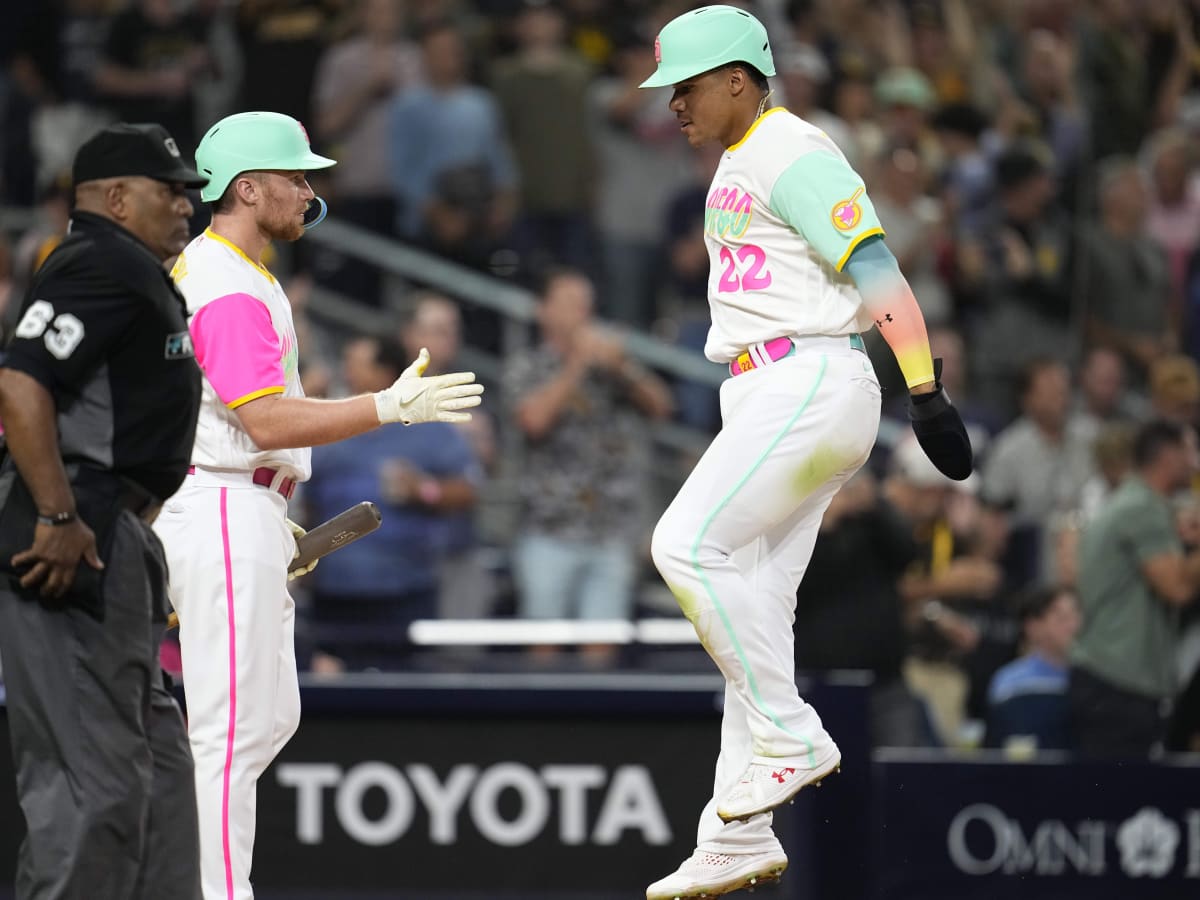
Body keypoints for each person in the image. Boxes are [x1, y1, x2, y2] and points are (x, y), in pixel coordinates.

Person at [638, 7, 971, 899]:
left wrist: (926, 389)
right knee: (757, 613)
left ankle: (791, 733)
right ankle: (734, 833)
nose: (674, 102)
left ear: (740, 79)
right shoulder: (743, 160)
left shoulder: (794, 151)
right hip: (769, 388)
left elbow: (876, 270)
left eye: (689, 83)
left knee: (683, 546)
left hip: (807, 379)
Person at [151, 110, 483, 900]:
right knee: (228, 736)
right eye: (295, 177)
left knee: (268, 720)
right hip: (221, 502)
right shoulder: (225, 282)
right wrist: (386, 408)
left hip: (239, 501)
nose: (308, 189)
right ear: (247, 186)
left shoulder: (237, 271)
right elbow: (262, 417)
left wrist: (268, 505)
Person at [0, 122, 206, 899]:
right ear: (116, 198)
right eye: (170, 192)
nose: (187, 207)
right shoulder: (98, 263)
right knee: (94, 787)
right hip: (75, 535)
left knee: (157, 770)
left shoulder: (127, 268)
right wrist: (56, 515)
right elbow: (21, 385)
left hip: (116, 534)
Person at [504, 266, 673, 664]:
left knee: (601, 650)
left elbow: (662, 407)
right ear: (543, 311)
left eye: (586, 304)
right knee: (542, 651)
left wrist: (623, 369)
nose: (581, 313)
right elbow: (532, 421)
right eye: (569, 304)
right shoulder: (527, 366)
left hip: (610, 530)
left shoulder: (613, 368)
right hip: (549, 530)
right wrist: (576, 365)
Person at [304, 335, 481, 671]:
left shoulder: (428, 429)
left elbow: (468, 490)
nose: (347, 372)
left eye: (356, 364)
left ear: (385, 373)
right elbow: (308, 496)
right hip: (335, 588)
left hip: (404, 586)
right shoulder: (331, 419)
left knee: (404, 689)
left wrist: (425, 490)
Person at [1070, 419, 1200, 757]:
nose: (1195, 461)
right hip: (1117, 681)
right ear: (1168, 456)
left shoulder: (1144, 504)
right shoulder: (1141, 509)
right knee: (1114, 803)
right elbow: (1178, 589)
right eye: (1190, 450)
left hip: (1115, 680)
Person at [985, 585, 1082, 752]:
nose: (1073, 626)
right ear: (1033, 626)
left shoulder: (1096, 680)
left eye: (1076, 615)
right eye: (1062, 618)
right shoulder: (1009, 682)